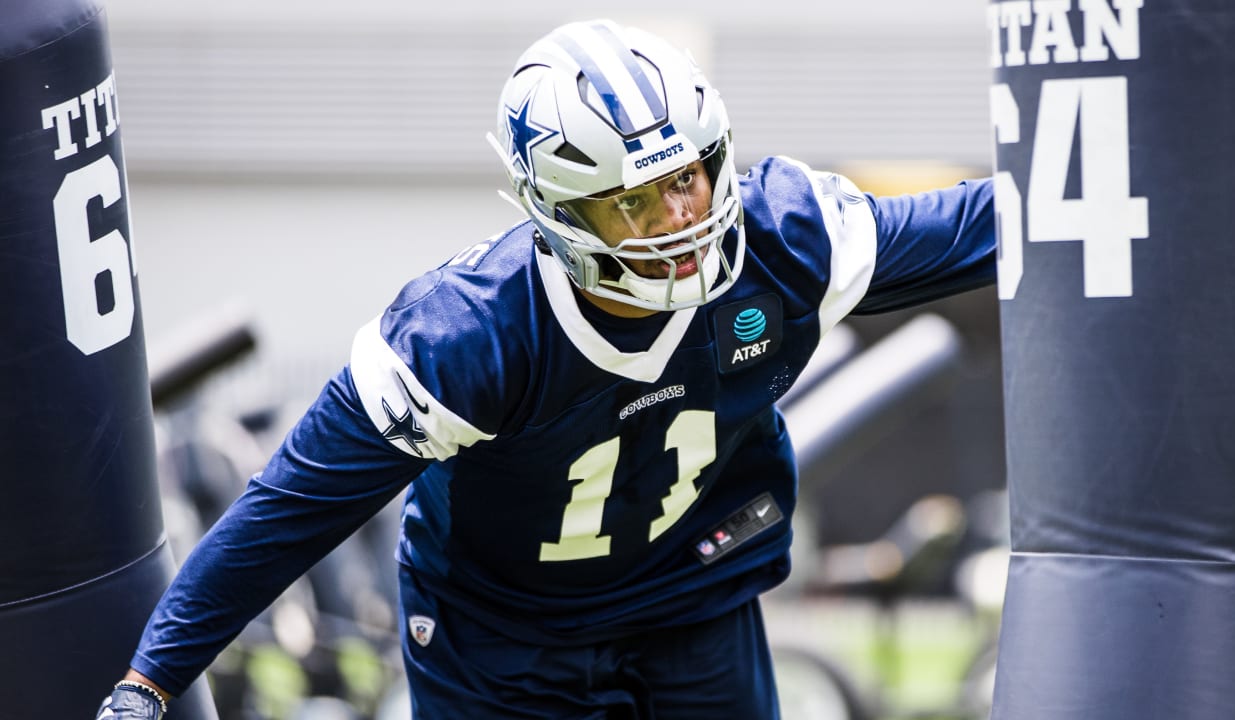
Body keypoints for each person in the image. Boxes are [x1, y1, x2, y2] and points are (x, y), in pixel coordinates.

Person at [97, 18, 995, 720]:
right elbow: (289, 509)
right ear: (559, 215)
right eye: (632, 201)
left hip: (693, 592)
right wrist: (151, 678)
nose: (679, 218)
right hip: (503, 634)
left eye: (688, 176)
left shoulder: (786, 238)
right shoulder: (467, 337)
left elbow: (988, 225)